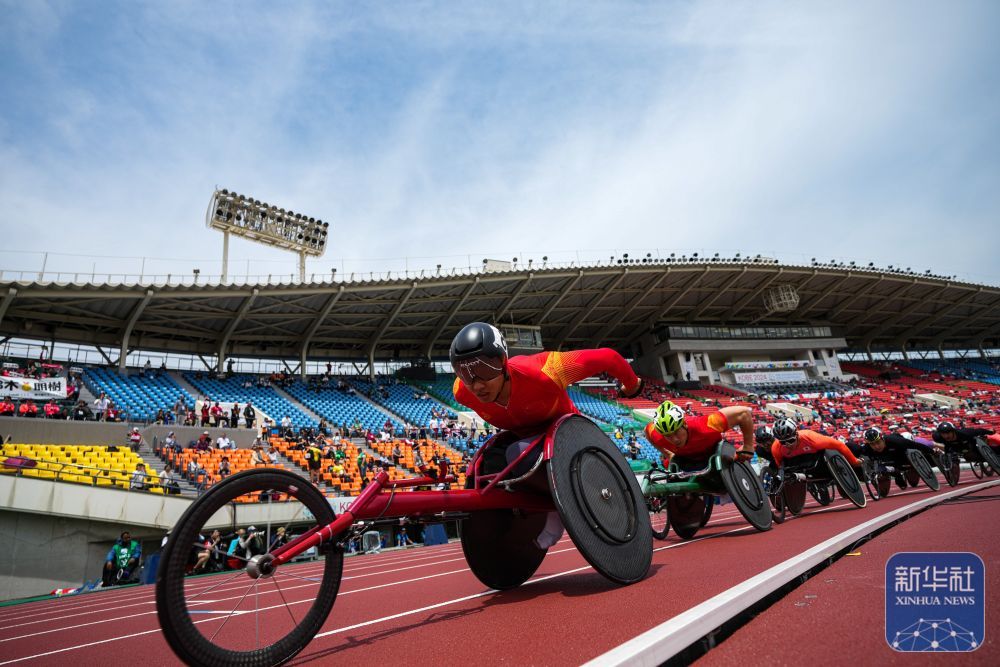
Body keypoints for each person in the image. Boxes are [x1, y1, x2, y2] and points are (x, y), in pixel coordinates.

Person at [449, 322, 642, 549]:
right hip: (526, 439)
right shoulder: (462, 392)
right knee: (491, 464)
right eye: (465, 373)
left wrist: (632, 385)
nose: (477, 384)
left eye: (484, 371)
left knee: (517, 453)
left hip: (568, 436)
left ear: (502, 362)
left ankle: (556, 510)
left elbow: (608, 357)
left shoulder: (548, 370)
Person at [644, 400, 756, 467]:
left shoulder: (706, 424)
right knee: (668, 464)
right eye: (668, 435)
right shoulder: (656, 434)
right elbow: (647, 431)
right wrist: (667, 454)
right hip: (687, 460)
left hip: (715, 454)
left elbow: (744, 413)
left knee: (742, 456)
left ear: (684, 424)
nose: (675, 439)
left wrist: (748, 445)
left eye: (676, 432)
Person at [861, 427, 943, 489]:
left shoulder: (895, 441)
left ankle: (904, 473)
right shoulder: (866, 449)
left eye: (878, 442)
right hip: (888, 463)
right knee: (881, 469)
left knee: (913, 483)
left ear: (882, 439)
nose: (876, 446)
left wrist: (932, 452)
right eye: (872, 444)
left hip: (902, 457)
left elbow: (916, 445)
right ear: (868, 444)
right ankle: (898, 475)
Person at [769, 418, 863, 469]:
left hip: (817, 458)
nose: (787, 445)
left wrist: (854, 461)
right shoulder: (776, 447)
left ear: (796, 434)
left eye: (790, 440)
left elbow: (840, 445)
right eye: (783, 442)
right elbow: (779, 465)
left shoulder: (812, 438)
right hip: (796, 464)